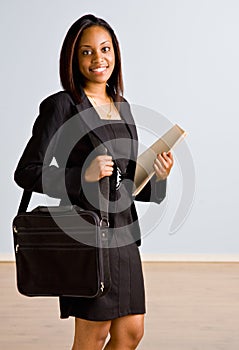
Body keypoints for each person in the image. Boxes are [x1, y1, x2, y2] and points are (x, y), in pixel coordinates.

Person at [14, 14, 174, 350]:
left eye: (104, 49)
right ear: (73, 59)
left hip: (125, 238)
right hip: (86, 238)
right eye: (86, 52)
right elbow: (26, 171)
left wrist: (157, 177)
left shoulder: (123, 106)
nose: (97, 58)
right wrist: (81, 175)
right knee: (93, 336)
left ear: (115, 54)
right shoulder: (61, 106)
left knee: (131, 332)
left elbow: (126, 182)